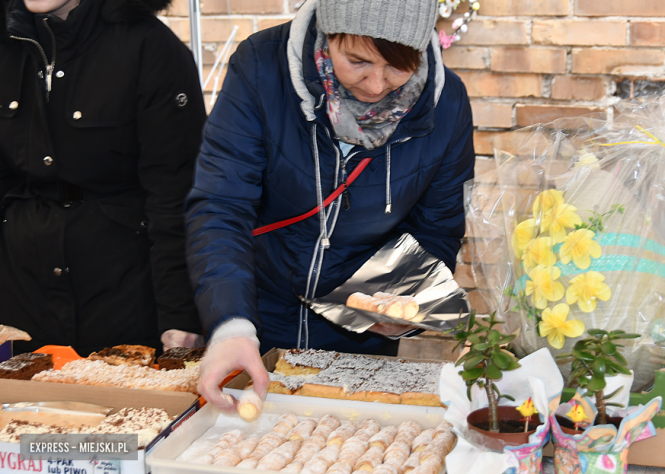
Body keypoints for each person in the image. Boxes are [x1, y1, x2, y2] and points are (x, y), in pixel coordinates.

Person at [187, 0, 475, 407]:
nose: (377, 85)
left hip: (360, 341)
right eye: (357, 60)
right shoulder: (262, 67)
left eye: (398, 65)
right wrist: (231, 325)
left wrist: (405, 303)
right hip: (254, 314)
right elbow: (221, 205)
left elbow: (437, 228)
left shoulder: (446, 104)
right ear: (328, 31)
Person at [0, 0, 206, 355]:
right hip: (20, 301)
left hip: (122, 298)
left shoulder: (150, 48)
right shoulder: (7, 43)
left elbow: (176, 196)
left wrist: (180, 316)